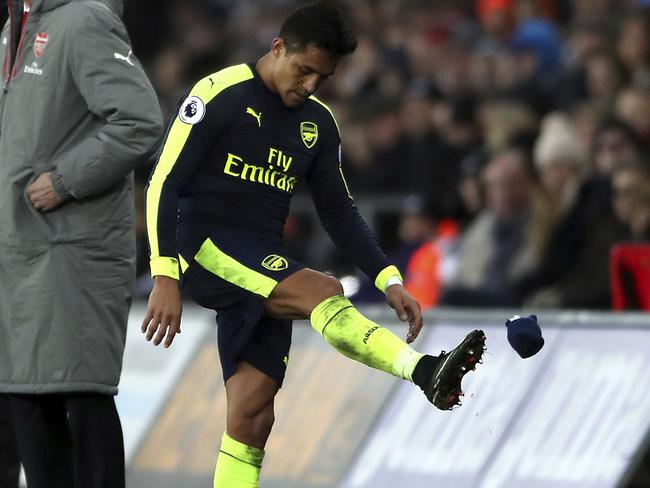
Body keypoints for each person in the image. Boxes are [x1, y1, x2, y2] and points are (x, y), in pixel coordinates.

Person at [142, 3, 486, 487]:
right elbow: (163, 183)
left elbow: (339, 212)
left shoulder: (318, 125)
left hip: (262, 261)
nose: (309, 85)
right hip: (207, 247)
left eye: (321, 78)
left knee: (252, 419)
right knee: (323, 290)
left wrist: (388, 278)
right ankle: (424, 370)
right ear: (278, 47)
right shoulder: (218, 94)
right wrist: (164, 274)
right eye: (303, 70)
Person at [0, 0, 163, 487]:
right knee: (28, 397)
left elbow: (138, 121)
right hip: (22, 249)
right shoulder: (15, 26)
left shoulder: (84, 19)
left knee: (78, 397)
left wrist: (65, 180)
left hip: (70, 249)